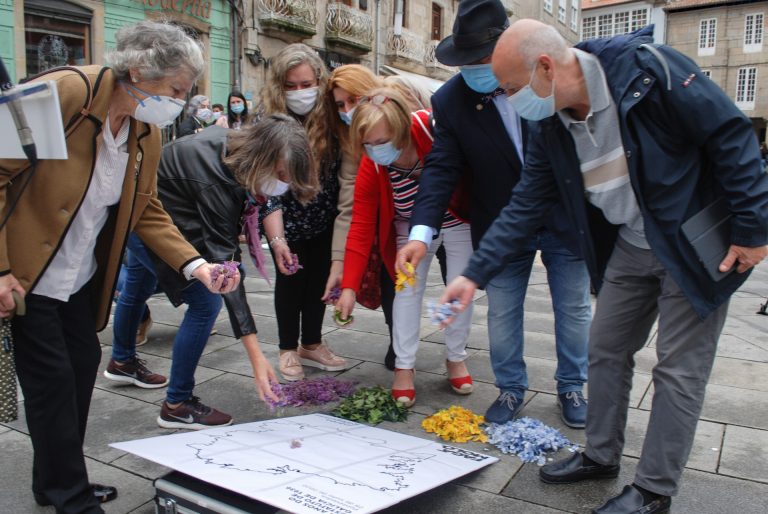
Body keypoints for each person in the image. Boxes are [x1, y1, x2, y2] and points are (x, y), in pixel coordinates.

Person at [441, 20, 768, 514]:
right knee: (605, 349)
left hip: (691, 244)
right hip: (631, 244)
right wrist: (473, 273)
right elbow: (527, 200)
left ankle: (654, 490)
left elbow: (730, 135)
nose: (508, 99)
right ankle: (600, 454)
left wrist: (753, 228)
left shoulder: (649, 72)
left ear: (547, 68)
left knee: (678, 370)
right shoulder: (548, 120)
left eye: (510, 88)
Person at [0, 21, 241, 514]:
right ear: (138, 70)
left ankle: (54, 482)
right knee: (52, 380)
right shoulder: (65, 92)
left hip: (79, 277)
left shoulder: (146, 129)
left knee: (83, 364)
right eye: (176, 89)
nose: (181, 101)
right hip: (30, 272)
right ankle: (71, 496)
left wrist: (196, 266)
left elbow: (146, 207)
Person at [397, 0, 591, 428]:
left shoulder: (546, 74)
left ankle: (572, 385)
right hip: (502, 223)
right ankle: (510, 388)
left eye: (483, 60)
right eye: (467, 62)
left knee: (574, 306)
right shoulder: (452, 100)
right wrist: (421, 232)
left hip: (563, 215)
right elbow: (441, 167)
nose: (476, 70)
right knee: (502, 310)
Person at [109, 115, 316, 429]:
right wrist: (257, 358)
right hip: (148, 221)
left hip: (148, 210)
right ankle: (177, 403)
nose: (281, 184)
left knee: (138, 281)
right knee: (207, 302)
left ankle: (122, 360)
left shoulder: (233, 146)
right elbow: (228, 266)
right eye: (280, 175)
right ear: (263, 156)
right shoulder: (216, 177)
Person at [336, 87, 474, 407]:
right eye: (367, 145)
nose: (375, 151)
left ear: (401, 128)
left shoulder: (431, 129)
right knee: (406, 291)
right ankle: (404, 367)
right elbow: (360, 227)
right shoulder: (373, 164)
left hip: (455, 217)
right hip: (407, 229)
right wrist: (348, 288)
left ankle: (455, 357)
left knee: (458, 288)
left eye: (381, 142)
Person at [257, 43, 346, 382]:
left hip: (326, 216)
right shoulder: (269, 121)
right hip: (287, 217)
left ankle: (311, 343)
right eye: (290, 86)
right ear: (279, 87)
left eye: (306, 84)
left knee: (320, 282)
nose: (300, 93)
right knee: (290, 281)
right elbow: (265, 188)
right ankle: (287, 349)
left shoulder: (332, 117)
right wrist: (277, 238)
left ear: (319, 82)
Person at [321, 65, 400, 368]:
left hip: (426, 215)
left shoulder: (403, 112)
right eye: (340, 105)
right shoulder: (351, 141)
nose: (348, 110)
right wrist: (339, 263)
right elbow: (349, 203)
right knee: (392, 279)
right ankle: (399, 342)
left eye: (353, 99)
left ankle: (454, 354)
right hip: (381, 223)